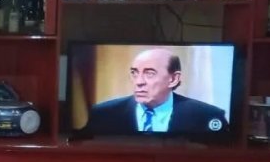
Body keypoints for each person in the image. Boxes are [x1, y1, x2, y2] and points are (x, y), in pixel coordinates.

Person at [84, 47, 228, 134]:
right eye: (134, 73)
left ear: (173, 79)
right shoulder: (103, 113)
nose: (139, 82)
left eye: (150, 73)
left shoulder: (207, 116)